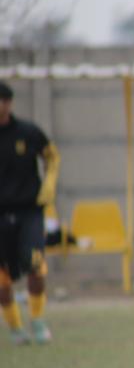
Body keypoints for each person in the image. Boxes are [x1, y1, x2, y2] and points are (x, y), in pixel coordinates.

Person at [0, 80, 59, 346]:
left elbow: (52, 157)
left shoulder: (29, 132)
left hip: (29, 211)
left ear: (9, 103)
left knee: (36, 265)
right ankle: (15, 328)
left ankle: (38, 322)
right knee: (2, 279)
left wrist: (49, 185)